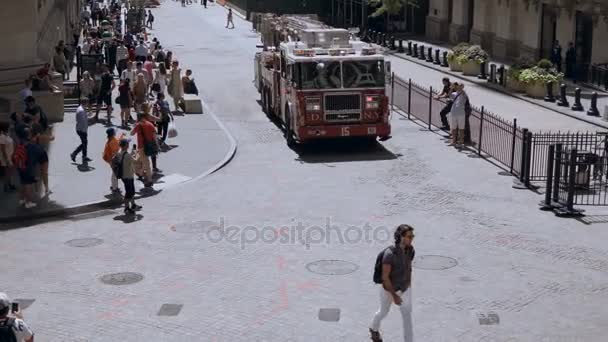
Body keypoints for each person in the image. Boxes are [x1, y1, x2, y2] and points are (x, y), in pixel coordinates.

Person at [369, 225, 415, 342]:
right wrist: (394, 296)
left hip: (404, 287)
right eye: (409, 236)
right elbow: (385, 278)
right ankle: (374, 329)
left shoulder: (410, 250)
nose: (412, 238)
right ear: (400, 237)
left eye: (412, 236)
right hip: (388, 290)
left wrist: (408, 285)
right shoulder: (389, 255)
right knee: (383, 312)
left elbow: (409, 268)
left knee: (407, 313)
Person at [115, 138, 142, 214]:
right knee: (129, 192)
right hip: (128, 176)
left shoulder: (119, 154)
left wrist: (132, 154)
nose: (128, 145)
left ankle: (133, 205)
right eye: (127, 144)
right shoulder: (127, 155)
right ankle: (126, 207)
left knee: (131, 191)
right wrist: (136, 153)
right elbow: (136, 160)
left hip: (124, 175)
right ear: (125, 146)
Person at [131, 112, 156, 187]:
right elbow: (155, 135)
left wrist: (134, 126)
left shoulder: (138, 125)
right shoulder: (150, 124)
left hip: (142, 146)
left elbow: (131, 133)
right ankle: (140, 172)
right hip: (150, 146)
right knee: (139, 160)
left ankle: (149, 179)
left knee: (146, 163)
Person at [71, 98, 92, 164]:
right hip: (82, 130)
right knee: (84, 143)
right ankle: (74, 154)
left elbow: (83, 118)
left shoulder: (81, 108)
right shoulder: (81, 110)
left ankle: (84, 156)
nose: (88, 104)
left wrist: (88, 115)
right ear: (85, 103)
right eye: (87, 103)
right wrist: (86, 129)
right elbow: (83, 121)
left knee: (85, 143)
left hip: (80, 129)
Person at [103, 128, 121, 194]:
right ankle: (114, 188)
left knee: (114, 173)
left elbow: (117, 142)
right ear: (112, 133)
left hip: (110, 159)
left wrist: (121, 137)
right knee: (115, 174)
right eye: (114, 132)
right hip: (112, 159)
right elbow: (115, 150)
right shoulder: (112, 141)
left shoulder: (111, 139)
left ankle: (113, 186)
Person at [0, 123, 16, 192]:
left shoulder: (7, 135)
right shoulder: (2, 137)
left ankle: (9, 184)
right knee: (8, 172)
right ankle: (6, 186)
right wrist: (6, 159)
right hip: (6, 157)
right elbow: (3, 149)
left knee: (10, 171)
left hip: (11, 155)